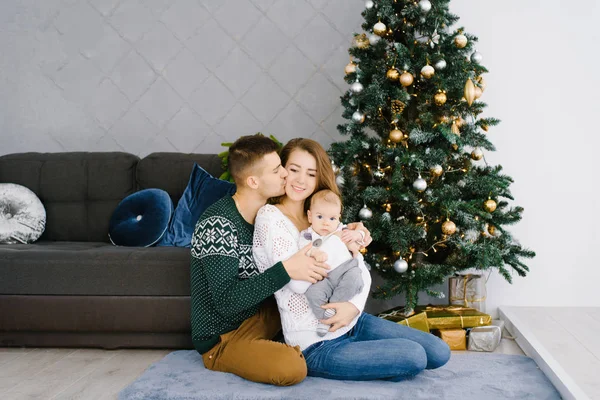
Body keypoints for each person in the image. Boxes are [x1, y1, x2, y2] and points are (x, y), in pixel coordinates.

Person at [253, 138, 451, 381]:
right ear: (283, 170)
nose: (301, 180)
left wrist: (354, 307)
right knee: (415, 356)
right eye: (294, 169)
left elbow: (359, 268)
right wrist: (342, 243)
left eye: (311, 173)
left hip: (352, 321)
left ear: (319, 178)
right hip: (316, 342)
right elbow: (299, 284)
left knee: (439, 351)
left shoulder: (322, 215)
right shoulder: (270, 218)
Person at [190, 134, 330, 386]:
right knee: (291, 368)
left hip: (263, 316)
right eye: (277, 170)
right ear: (253, 181)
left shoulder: (267, 217)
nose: (286, 175)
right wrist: (285, 270)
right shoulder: (218, 224)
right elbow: (227, 302)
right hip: (224, 336)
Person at [288, 189, 366, 336]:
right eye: (320, 217)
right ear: (310, 216)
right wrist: (315, 252)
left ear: (338, 218)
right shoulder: (307, 235)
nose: (326, 223)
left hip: (345, 269)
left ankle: (333, 307)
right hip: (324, 277)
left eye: (332, 219)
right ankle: (324, 319)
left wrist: (357, 234)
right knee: (313, 293)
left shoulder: (341, 230)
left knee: (354, 279)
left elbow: (360, 238)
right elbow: (304, 251)